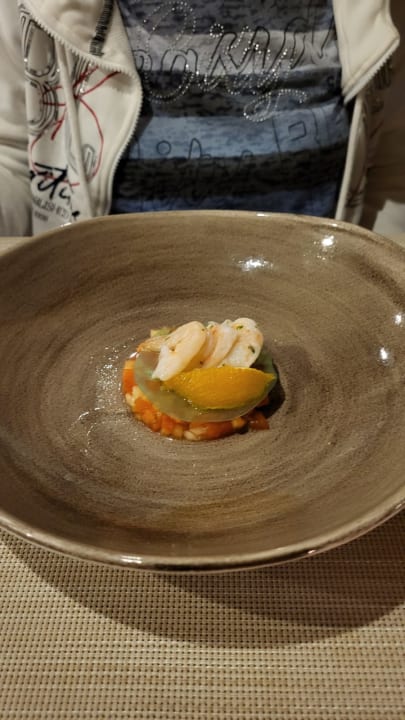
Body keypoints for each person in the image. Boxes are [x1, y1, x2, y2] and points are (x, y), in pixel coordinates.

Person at [0, 0, 404, 237]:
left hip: (317, 298)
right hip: (103, 307)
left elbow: (388, 168)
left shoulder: (378, 9)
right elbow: (16, 158)